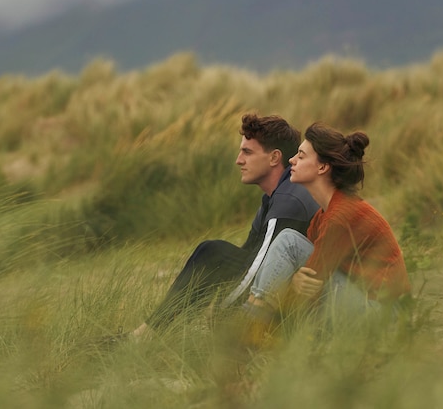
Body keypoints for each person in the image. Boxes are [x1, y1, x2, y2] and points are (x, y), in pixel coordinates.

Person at [125, 114, 319, 340]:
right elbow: (248, 256)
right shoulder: (273, 199)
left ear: (274, 157)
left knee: (213, 253)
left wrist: (222, 315)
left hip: (305, 307)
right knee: (215, 255)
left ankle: (148, 336)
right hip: (284, 299)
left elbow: (261, 271)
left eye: (247, 152)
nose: (238, 160)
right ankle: (157, 333)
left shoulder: (289, 199)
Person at [240, 121, 411, 342]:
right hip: (363, 304)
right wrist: (295, 281)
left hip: (384, 317)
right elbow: (309, 278)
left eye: (301, 156)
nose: (291, 160)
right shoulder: (324, 214)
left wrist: (293, 283)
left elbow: (310, 285)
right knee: (291, 244)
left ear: (322, 167)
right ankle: (254, 323)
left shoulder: (340, 217)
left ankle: (251, 326)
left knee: (289, 242)